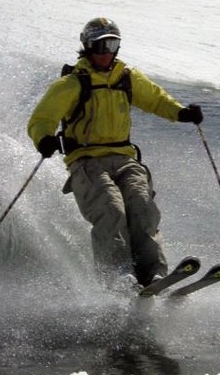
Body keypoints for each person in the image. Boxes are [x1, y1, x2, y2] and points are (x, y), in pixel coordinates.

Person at [27, 17, 203, 291]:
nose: (106, 51)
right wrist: (45, 139)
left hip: (125, 158)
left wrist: (181, 112)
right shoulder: (72, 84)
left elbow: (155, 99)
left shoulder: (126, 78)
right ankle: (118, 278)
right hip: (87, 162)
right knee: (111, 211)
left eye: (112, 44)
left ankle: (154, 275)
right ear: (87, 47)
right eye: (100, 45)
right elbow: (42, 119)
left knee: (143, 210)